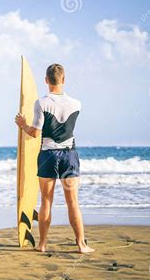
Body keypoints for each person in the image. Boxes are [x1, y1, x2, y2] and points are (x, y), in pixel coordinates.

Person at [15, 64, 94, 254]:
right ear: (64, 80)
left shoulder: (41, 103)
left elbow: (35, 133)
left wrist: (22, 124)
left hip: (48, 156)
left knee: (46, 202)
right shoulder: (77, 104)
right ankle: (81, 245)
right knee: (73, 202)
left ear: (46, 80)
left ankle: (42, 245)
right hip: (69, 156)